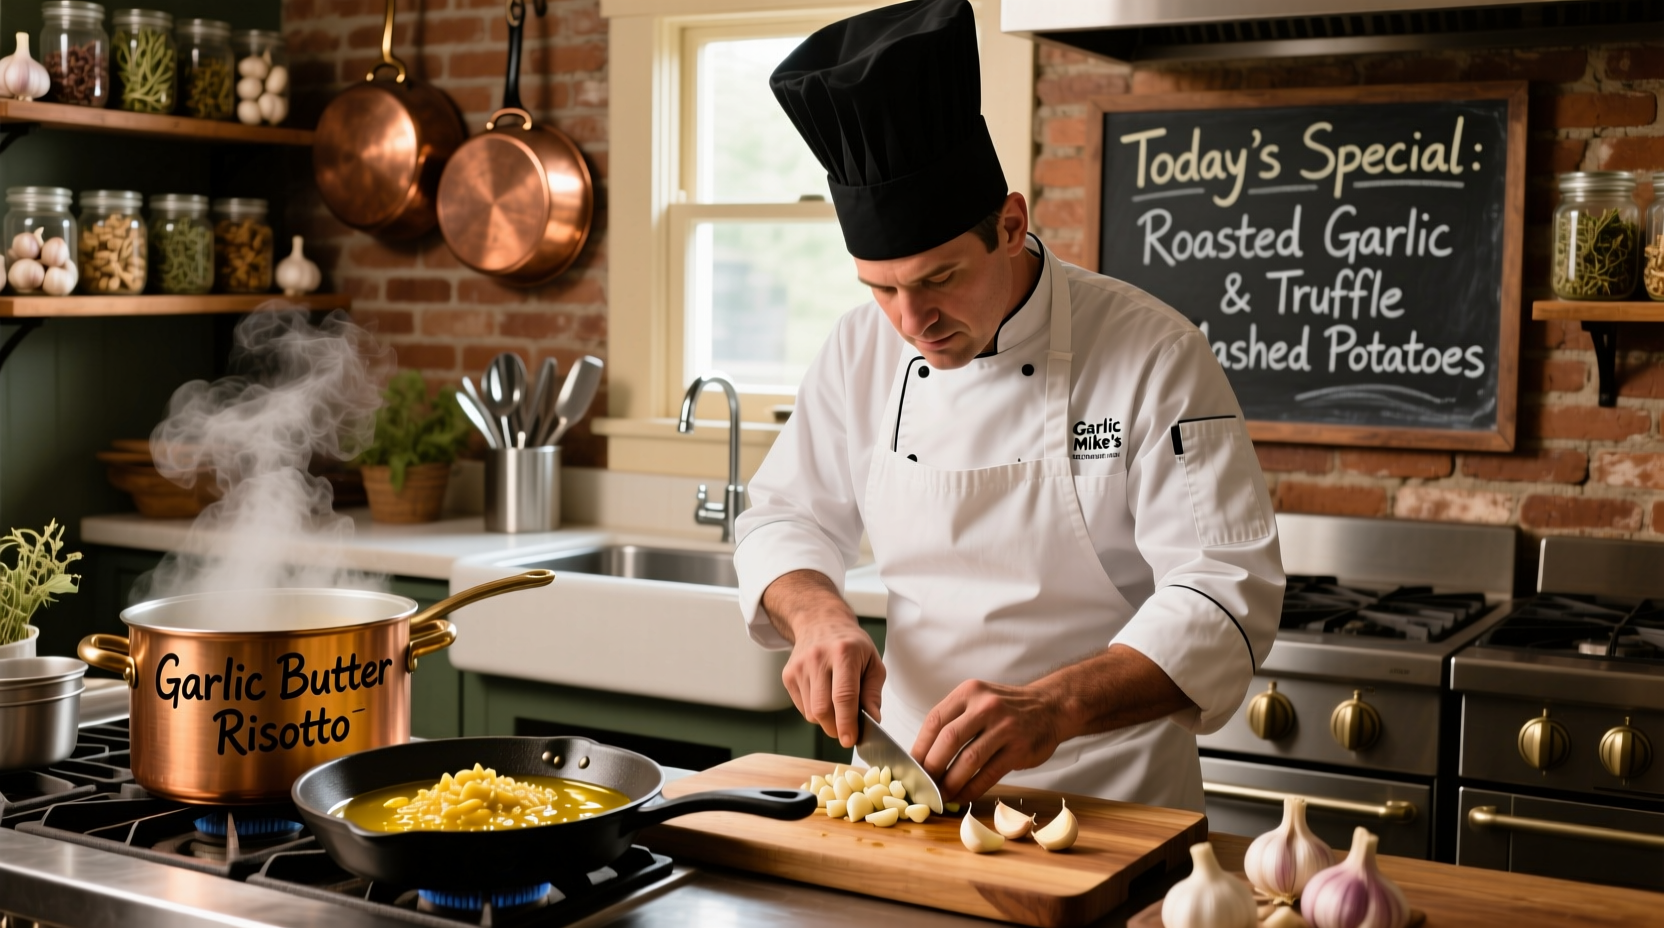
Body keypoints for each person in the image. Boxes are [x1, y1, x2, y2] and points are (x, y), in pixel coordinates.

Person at [733, 0, 1284, 811]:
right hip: (910, 800)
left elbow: (1224, 588)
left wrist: (1055, 706)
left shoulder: (1153, 353)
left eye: (939, 279)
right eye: (880, 288)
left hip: (1111, 801)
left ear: (1012, 223)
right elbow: (783, 518)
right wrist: (817, 616)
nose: (910, 322)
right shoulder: (860, 348)